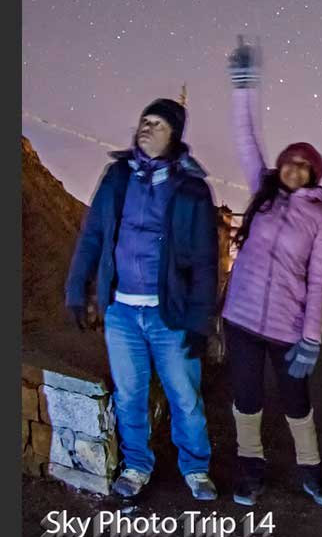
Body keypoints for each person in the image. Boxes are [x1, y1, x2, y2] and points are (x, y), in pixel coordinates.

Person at [65, 97, 218, 501]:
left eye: (158, 124)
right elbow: (93, 235)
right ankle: (136, 464)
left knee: (184, 394)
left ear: (174, 136)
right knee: (129, 394)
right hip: (122, 311)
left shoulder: (192, 189)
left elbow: (205, 262)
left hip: (171, 314)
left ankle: (196, 467)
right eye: (144, 120)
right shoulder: (117, 176)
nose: (146, 127)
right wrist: (76, 290)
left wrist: (201, 323)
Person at [222, 39, 322, 506]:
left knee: (296, 403)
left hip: (289, 329)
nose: (294, 169)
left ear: (314, 175)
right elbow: (246, 136)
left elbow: (318, 282)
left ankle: (311, 472)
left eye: (304, 166)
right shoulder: (260, 193)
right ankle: (251, 471)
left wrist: (312, 338)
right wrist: (244, 86)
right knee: (246, 400)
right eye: (289, 161)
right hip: (243, 320)